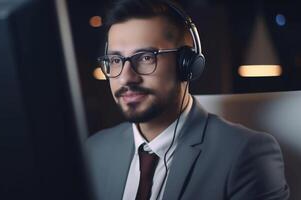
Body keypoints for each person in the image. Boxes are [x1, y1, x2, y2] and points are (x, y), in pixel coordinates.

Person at [85, 0, 290, 199]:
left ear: (187, 64)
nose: (126, 77)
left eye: (146, 57)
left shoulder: (246, 154)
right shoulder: (94, 151)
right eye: (115, 60)